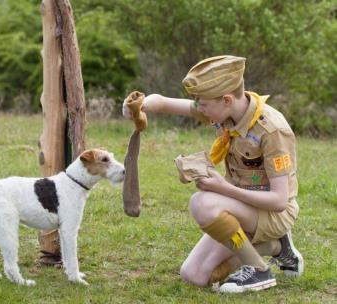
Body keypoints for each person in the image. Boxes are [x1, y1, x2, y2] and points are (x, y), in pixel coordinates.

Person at [122, 55, 303, 293]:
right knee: (194, 275)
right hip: (241, 206)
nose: (199, 109)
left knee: (202, 204)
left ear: (227, 99)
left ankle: (258, 270)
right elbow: (164, 103)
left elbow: (279, 201)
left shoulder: (272, 130)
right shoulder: (222, 111)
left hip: (273, 212)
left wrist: (222, 188)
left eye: (203, 104)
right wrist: (139, 107)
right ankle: (276, 247)